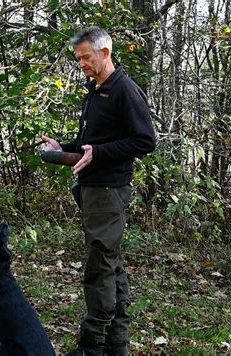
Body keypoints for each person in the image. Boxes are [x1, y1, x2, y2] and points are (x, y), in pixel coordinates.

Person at [41, 27, 156, 355]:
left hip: (108, 190)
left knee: (99, 268)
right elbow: (92, 145)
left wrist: (99, 154)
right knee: (110, 264)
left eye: (86, 58)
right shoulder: (96, 90)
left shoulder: (124, 91)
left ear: (105, 53)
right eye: (79, 59)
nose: (82, 64)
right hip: (93, 190)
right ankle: (116, 346)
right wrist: (61, 148)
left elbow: (145, 140)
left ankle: (92, 347)